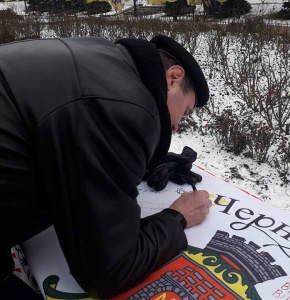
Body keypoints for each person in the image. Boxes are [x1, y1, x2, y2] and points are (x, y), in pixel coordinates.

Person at [0, 35, 211, 298]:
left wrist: (138, 162)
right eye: (186, 111)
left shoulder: (101, 56)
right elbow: (109, 270)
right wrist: (177, 217)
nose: (178, 125)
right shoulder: (127, 108)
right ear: (174, 77)